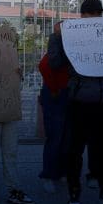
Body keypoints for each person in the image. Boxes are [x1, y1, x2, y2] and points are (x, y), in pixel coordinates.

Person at [48, 0, 103, 204]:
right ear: (84, 16)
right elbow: (54, 63)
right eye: (94, 13)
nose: (98, 17)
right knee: (75, 150)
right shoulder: (70, 36)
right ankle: (74, 191)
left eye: (100, 13)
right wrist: (56, 37)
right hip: (79, 102)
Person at [37, 53, 70, 193]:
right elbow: (43, 66)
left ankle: (60, 172)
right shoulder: (58, 45)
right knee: (55, 137)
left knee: (65, 137)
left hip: (64, 94)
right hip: (56, 95)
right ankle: (49, 175)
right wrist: (54, 88)